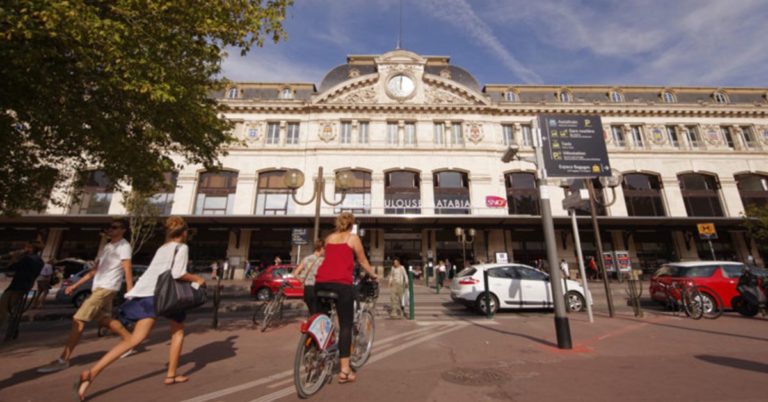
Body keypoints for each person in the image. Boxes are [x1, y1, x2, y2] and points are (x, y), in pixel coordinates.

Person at [75, 216, 206, 400]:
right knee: (177, 332)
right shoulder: (182, 247)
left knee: (134, 339)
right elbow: (178, 273)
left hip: (146, 294)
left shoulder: (162, 248)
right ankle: (171, 375)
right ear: (184, 233)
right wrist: (198, 279)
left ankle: (92, 372)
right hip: (166, 295)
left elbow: (152, 272)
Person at [37, 219, 133, 374]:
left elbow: (127, 269)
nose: (110, 230)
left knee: (79, 319)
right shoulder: (108, 247)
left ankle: (63, 359)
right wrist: (74, 286)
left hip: (107, 287)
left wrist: (130, 290)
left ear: (123, 230)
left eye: (114, 227)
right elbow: (95, 270)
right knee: (103, 320)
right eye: (108, 227)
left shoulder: (124, 246)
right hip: (98, 287)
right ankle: (130, 341)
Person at [314, 212, 378, 384]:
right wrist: (373, 275)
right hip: (341, 284)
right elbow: (363, 261)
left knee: (321, 320)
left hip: (320, 283)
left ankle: (316, 355)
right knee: (345, 326)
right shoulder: (353, 238)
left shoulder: (329, 238)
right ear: (351, 224)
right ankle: (345, 371)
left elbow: (331, 259)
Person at [0, 241, 45, 330]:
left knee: (3, 308)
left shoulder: (27, 259)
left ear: (31, 249)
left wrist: (14, 257)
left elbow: (11, 267)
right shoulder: (40, 261)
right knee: (10, 308)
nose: (24, 249)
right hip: (26, 286)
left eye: (27, 247)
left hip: (17, 286)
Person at [292, 240, 324, 315]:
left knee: (312, 313)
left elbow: (295, 273)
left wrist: (302, 281)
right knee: (318, 314)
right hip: (317, 289)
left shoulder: (306, 258)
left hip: (307, 289)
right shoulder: (322, 260)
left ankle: (312, 325)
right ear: (321, 248)